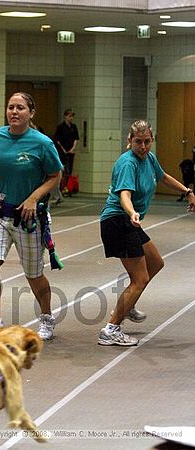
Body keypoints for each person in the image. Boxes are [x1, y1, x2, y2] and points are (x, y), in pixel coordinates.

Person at [0, 92, 63, 340]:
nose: (14, 112)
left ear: (31, 113)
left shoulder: (42, 143)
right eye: (10, 107)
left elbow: (55, 175)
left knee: (33, 274)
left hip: (29, 218)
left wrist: (33, 198)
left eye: (20, 108)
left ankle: (46, 317)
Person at [98, 120, 195, 347]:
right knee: (139, 278)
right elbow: (124, 195)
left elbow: (163, 177)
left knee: (156, 262)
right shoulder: (127, 164)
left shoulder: (149, 158)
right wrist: (132, 212)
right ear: (129, 142)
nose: (143, 146)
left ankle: (127, 306)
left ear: (152, 140)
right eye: (138, 142)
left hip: (129, 222)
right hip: (118, 221)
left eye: (147, 141)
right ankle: (110, 329)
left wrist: (187, 191)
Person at [54, 108, 79, 177]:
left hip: (71, 151)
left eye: (72, 116)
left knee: (70, 169)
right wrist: (63, 149)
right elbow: (57, 140)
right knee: (63, 168)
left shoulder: (74, 127)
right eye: (70, 116)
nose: (71, 118)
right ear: (65, 116)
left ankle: (68, 185)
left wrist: (73, 148)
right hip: (63, 151)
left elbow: (76, 139)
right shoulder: (60, 127)